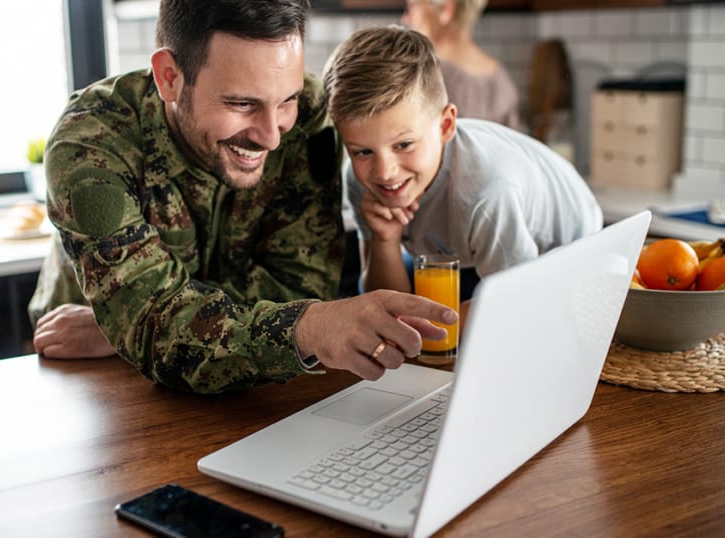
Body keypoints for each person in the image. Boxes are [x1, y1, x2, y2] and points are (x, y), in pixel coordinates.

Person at [29, 0, 457, 395]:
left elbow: (299, 287)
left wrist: (144, 320)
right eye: (241, 103)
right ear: (169, 78)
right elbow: (155, 332)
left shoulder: (308, 114)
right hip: (84, 373)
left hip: (247, 385)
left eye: (285, 100)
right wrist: (147, 325)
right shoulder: (92, 145)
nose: (271, 136)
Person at [321, 25, 602, 328]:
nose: (384, 172)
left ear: (445, 126)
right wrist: (384, 240)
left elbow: (516, 305)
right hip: (464, 252)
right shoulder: (360, 180)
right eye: (362, 152)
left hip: (566, 251)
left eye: (403, 145)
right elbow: (388, 307)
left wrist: (422, 338)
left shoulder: (486, 192)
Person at [402, 0, 521, 129]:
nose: (405, 18)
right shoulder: (502, 80)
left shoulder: (424, 75)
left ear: (445, 10)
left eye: (412, 6)